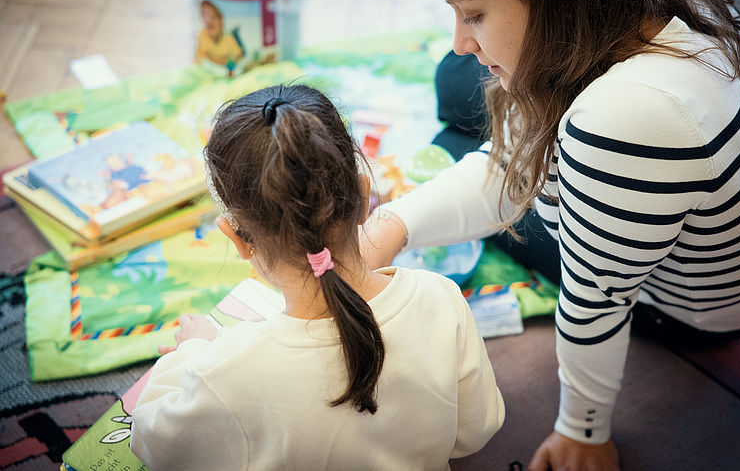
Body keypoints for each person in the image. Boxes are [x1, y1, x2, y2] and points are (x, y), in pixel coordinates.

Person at [360, 0, 740, 470]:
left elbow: (596, 298)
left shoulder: (622, 123)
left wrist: (582, 431)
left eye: (472, 15)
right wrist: (392, 225)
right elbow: (511, 157)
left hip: (701, 309)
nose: (460, 39)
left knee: (455, 138)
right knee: (458, 81)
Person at [129, 84, 505, 470]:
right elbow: (475, 431)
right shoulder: (440, 297)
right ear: (364, 196)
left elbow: (151, 442)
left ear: (237, 239)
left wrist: (192, 353)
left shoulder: (224, 374)